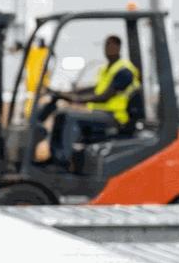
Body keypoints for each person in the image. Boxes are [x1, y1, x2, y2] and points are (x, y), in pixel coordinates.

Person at [36, 34, 139, 167]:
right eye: (106, 46)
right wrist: (63, 93)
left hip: (116, 117)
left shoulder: (124, 71)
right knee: (61, 114)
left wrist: (75, 99)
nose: (107, 49)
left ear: (118, 47)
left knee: (70, 117)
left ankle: (63, 161)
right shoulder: (107, 68)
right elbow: (94, 89)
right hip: (102, 114)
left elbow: (105, 96)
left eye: (110, 46)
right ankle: (54, 157)